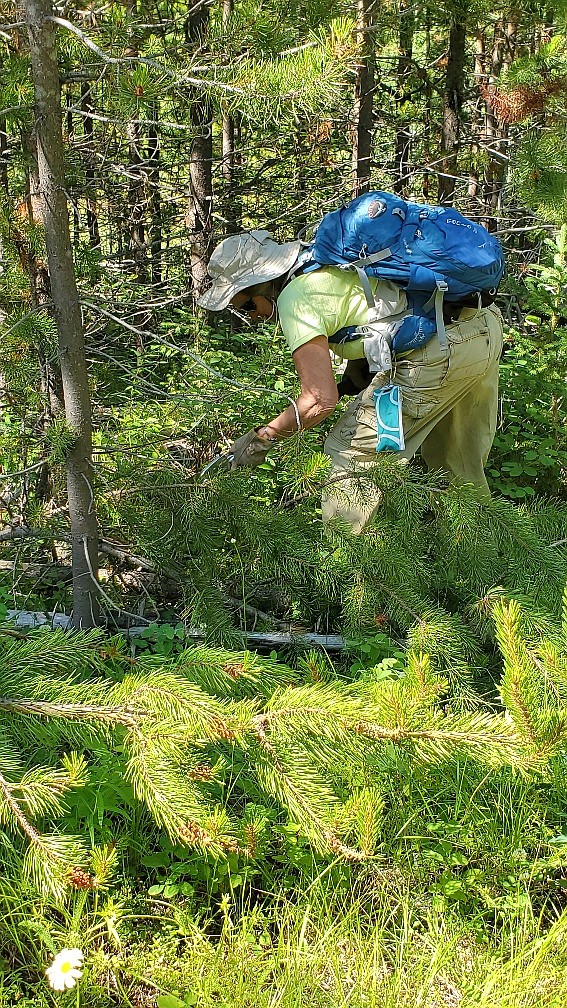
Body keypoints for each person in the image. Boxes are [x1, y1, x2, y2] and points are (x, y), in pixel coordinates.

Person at [197, 228, 504, 533]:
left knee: (349, 458)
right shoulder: (326, 260)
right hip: (480, 325)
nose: (251, 317)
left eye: (248, 305)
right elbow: (378, 307)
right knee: (456, 460)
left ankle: (349, 572)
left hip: (438, 351)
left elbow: (318, 401)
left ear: (262, 285)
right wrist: (359, 369)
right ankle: (483, 557)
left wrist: (262, 439)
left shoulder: (295, 299)